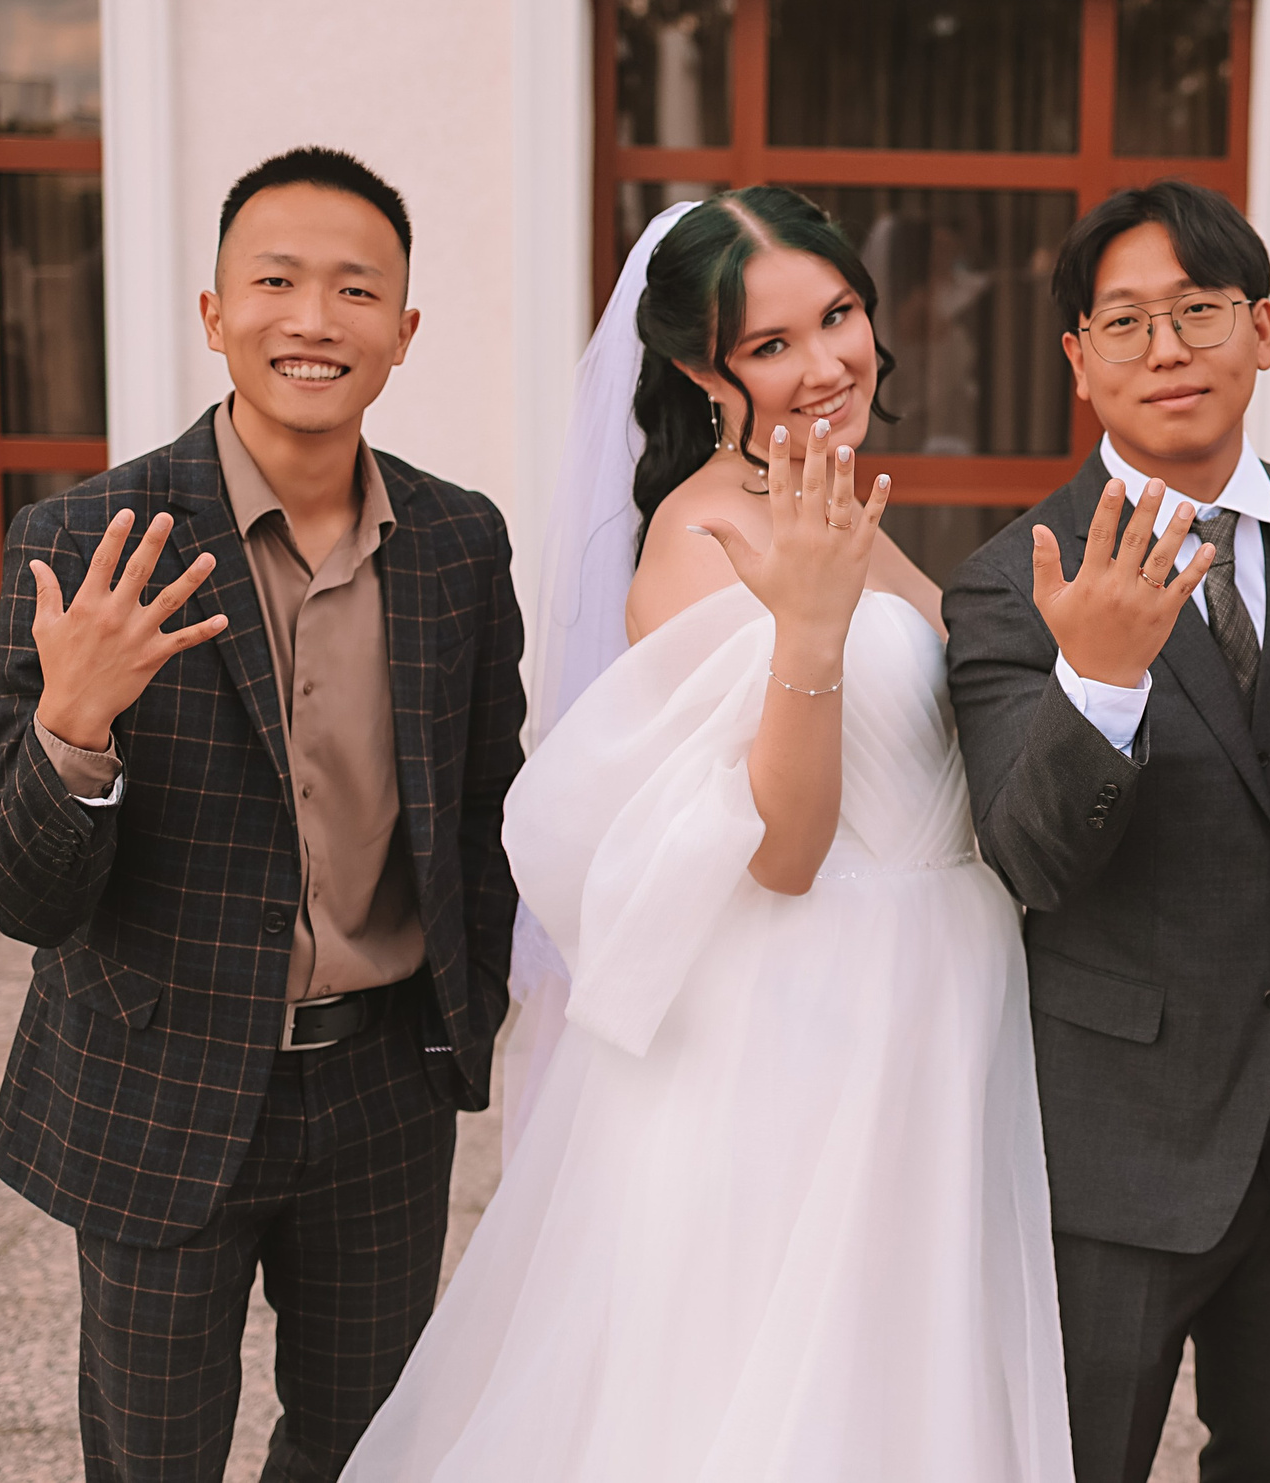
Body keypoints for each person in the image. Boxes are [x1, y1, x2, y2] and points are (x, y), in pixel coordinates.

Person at [341, 188, 1072, 1482]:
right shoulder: (700, 537)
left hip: (934, 1005)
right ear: (699, 366)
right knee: (783, 1396)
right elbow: (783, 845)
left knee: (903, 1382)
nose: (827, 361)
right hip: (804, 1033)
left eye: (838, 314)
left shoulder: (831, 498)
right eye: (771, 343)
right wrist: (808, 632)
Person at [0, 146, 527, 1482]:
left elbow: (486, 807)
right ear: (215, 314)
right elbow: (20, 894)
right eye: (275, 280)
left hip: (382, 1087)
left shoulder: (458, 542)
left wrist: (471, 1021)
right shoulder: (92, 536)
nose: (313, 318)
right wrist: (75, 728)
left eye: (354, 288)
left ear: (403, 329)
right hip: (162, 1075)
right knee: (153, 1454)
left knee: (361, 1443)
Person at [942, 180, 1270, 1483]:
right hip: (1119, 1146)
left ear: (1264, 328)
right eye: (1126, 321)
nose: (1168, 348)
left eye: (1200, 310)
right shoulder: (1017, 574)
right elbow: (1032, 856)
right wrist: (1100, 684)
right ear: (1077, 356)